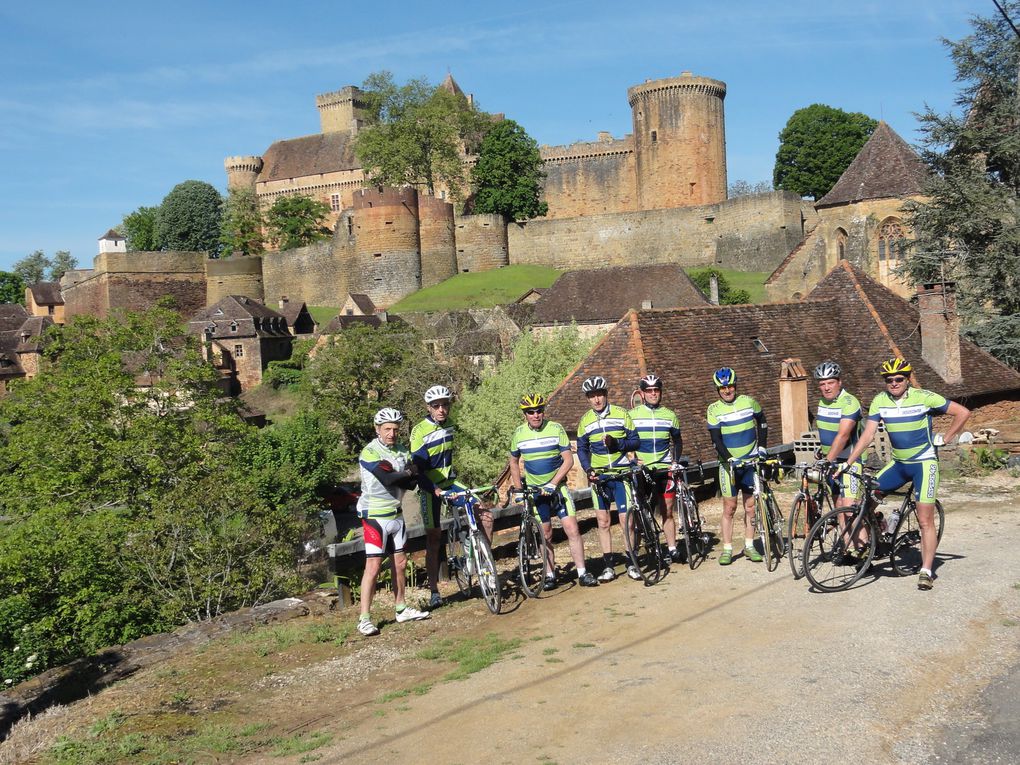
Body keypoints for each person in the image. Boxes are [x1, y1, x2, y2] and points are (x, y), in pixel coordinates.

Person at [839, 358, 970, 590]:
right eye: (889, 380)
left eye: (899, 379)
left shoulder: (925, 397)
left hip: (924, 464)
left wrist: (946, 438)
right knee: (864, 502)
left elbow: (962, 412)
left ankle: (926, 570)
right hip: (898, 464)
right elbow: (867, 435)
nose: (894, 383)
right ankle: (872, 545)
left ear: (907, 379)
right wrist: (848, 462)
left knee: (924, 519)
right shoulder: (880, 400)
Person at [509, 393, 598, 589]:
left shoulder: (556, 428)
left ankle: (582, 572)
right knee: (546, 533)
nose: (536, 415)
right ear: (525, 414)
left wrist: (553, 482)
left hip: (558, 490)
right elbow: (513, 462)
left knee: (572, 529)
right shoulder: (519, 434)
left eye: (539, 410)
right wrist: (517, 489)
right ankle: (550, 575)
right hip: (535, 492)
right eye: (531, 412)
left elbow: (568, 460)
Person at [356, 408, 430, 636]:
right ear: (378, 429)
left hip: (396, 514)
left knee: (400, 563)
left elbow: (411, 483)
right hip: (374, 515)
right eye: (387, 429)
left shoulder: (400, 451)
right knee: (374, 566)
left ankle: (401, 608)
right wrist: (408, 472)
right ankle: (364, 618)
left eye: (395, 430)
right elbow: (387, 479)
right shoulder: (370, 452)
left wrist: (408, 474)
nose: (391, 434)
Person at [410, 384, 485, 609]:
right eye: (436, 406)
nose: (441, 409)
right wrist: (434, 489)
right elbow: (416, 470)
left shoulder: (451, 425)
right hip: (429, 488)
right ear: (429, 408)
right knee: (433, 538)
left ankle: (480, 562)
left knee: (483, 511)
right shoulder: (420, 431)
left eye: (445, 405)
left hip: (449, 483)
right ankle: (434, 591)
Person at [575, 375, 641, 582]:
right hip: (600, 478)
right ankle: (609, 567)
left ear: (606, 394)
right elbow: (582, 449)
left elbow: (635, 442)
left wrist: (617, 444)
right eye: (592, 396)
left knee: (626, 521)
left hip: (621, 475)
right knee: (603, 522)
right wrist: (587, 469)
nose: (597, 400)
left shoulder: (622, 414)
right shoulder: (585, 421)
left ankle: (632, 562)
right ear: (588, 398)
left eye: (600, 395)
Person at [706, 367, 768, 565]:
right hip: (729, 466)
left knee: (750, 507)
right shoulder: (713, 409)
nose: (727, 391)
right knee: (729, 508)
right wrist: (729, 457)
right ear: (718, 390)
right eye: (722, 388)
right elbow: (715, 438)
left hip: (750, 462)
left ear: (735, 385)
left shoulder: (748, 402)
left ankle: (749, 546)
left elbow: (762, 422)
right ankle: (727, 549)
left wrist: (763, 447)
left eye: (730, 386)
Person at [628, 374, 685, 564]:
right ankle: (638, 550)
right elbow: (626, 441)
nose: (653, 394)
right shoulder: (632, 415)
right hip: (642, 469)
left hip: (664, 467)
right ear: (642, 394)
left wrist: (675, 461)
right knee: (640, 511)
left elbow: (677, 441)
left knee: (667, 510)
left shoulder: (669, 415)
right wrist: (633, 459)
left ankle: (672, 548)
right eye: (649, 391)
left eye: (656, 390)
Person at [813, 360, 864, 509]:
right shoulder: (822, 402)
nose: (826, 388)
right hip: (831, 461)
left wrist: (827, 460)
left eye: (830, 383)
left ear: (839, 382)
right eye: (822, 384)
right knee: (838, 508)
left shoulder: (849, 402)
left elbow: (843, 436)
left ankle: (870, 521)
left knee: (849, 509)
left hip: (850, 461)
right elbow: (827, 430)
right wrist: (822, 449)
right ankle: (849, 530)